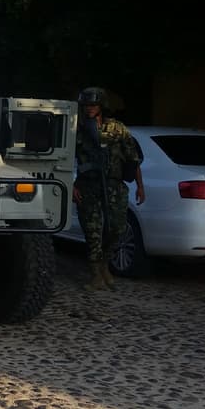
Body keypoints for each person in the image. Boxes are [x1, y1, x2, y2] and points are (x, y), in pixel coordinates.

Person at [73, 86, 145, 290]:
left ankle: (105, 263)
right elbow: (63, 158)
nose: (89, 109)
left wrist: (140, 186)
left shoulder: (117, 128)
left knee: (117, 228)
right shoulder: (77, 129)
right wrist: (70, 185)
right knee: (92, 230)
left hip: (114, 185)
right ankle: (96, 273)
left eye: (93, 105)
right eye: (86, 105)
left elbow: (133, 158)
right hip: (88, 185)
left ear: (101, 106)